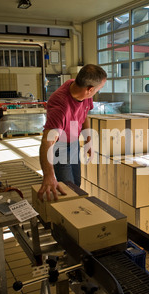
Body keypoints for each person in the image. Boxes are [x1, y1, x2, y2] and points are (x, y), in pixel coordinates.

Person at [37, 64, 107, 202]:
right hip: (61, 148)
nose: (98, 91)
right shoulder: (60, 106)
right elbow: (47, 141)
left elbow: (84, 113)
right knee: (69, 190)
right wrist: (48, 175)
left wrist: (88, 141)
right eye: (99, 89)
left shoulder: (79, 88)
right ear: (90, 89)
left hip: (74, 143)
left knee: (77, 185)